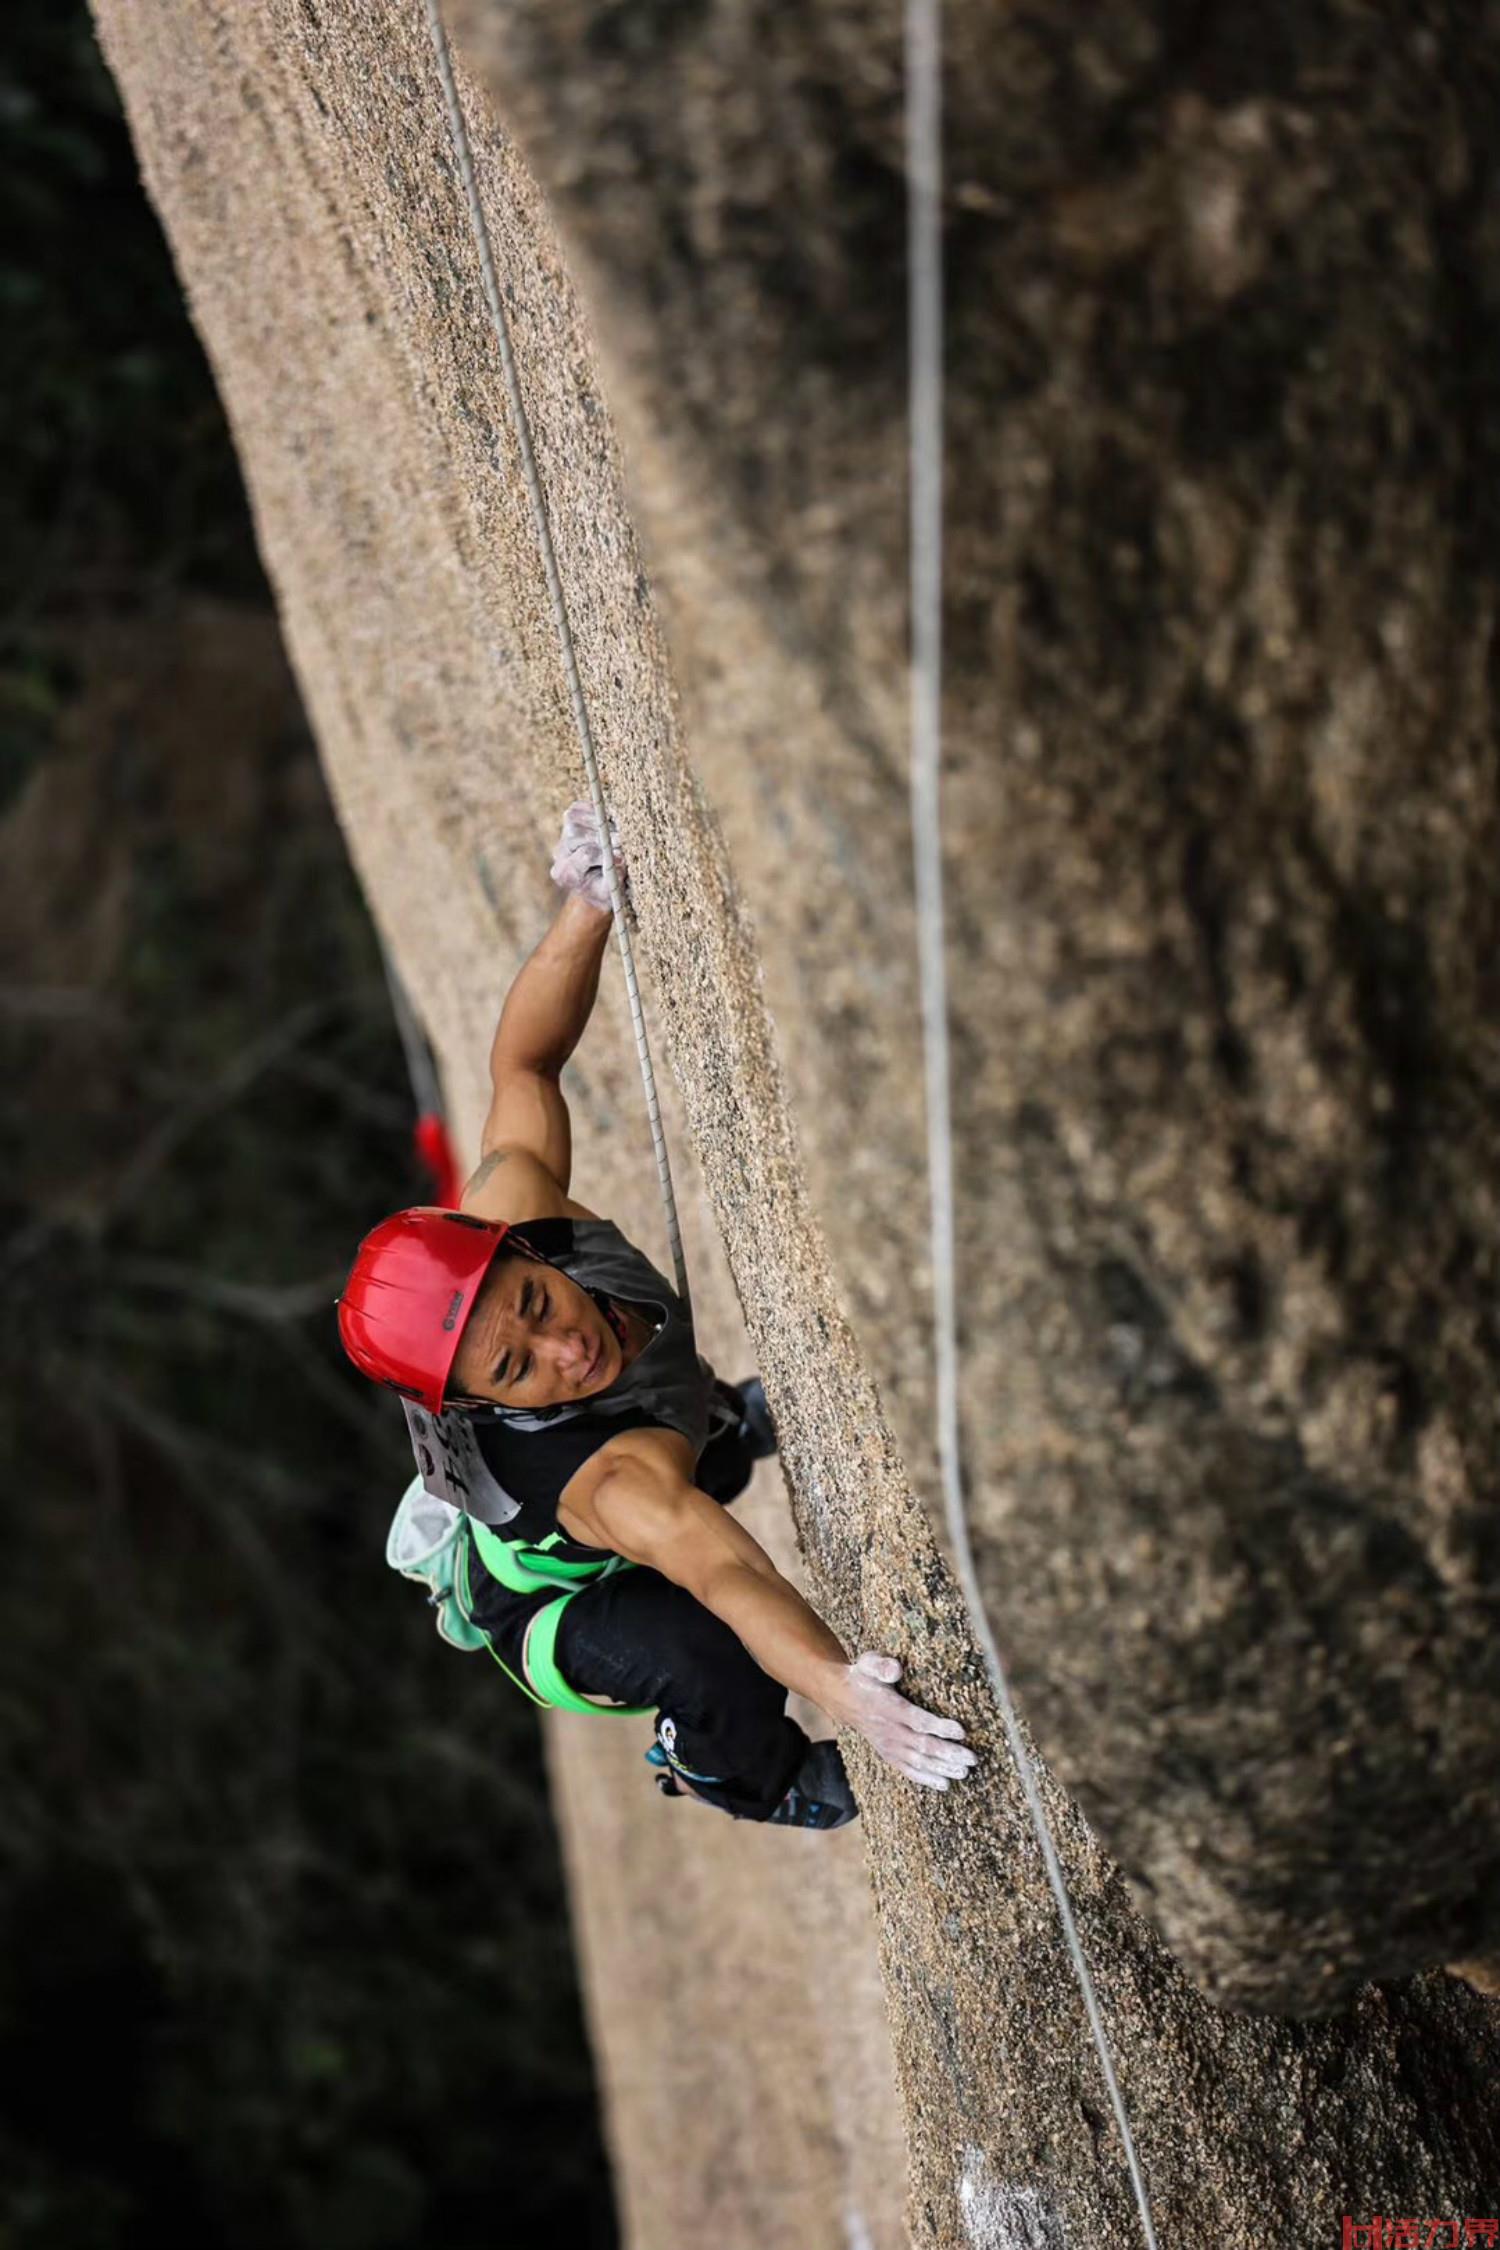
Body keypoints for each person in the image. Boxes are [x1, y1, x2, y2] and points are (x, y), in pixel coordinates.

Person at [338, 803, 979, 1828]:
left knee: (702, 1430)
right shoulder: (612, 1485)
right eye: (517, 1370)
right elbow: (724, 1571)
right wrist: (842, 1690)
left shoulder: (516, 1202)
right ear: (475, 1403)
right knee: (700, 1643)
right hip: (550, 1609)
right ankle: (741, 1775)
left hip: (648, 1441)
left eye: (538, 1304)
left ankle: (723, 1424)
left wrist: (584, 911)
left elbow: (524, 1067)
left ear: (515, 1246)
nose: (564, 1346)